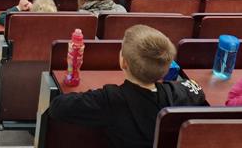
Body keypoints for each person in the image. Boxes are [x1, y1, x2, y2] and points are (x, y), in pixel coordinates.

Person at [48, 25, 206, 148]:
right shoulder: (177, 94)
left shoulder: (109, 99)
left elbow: (57, 107)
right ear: (166, 70)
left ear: (123, 62)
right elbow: (197, 90)